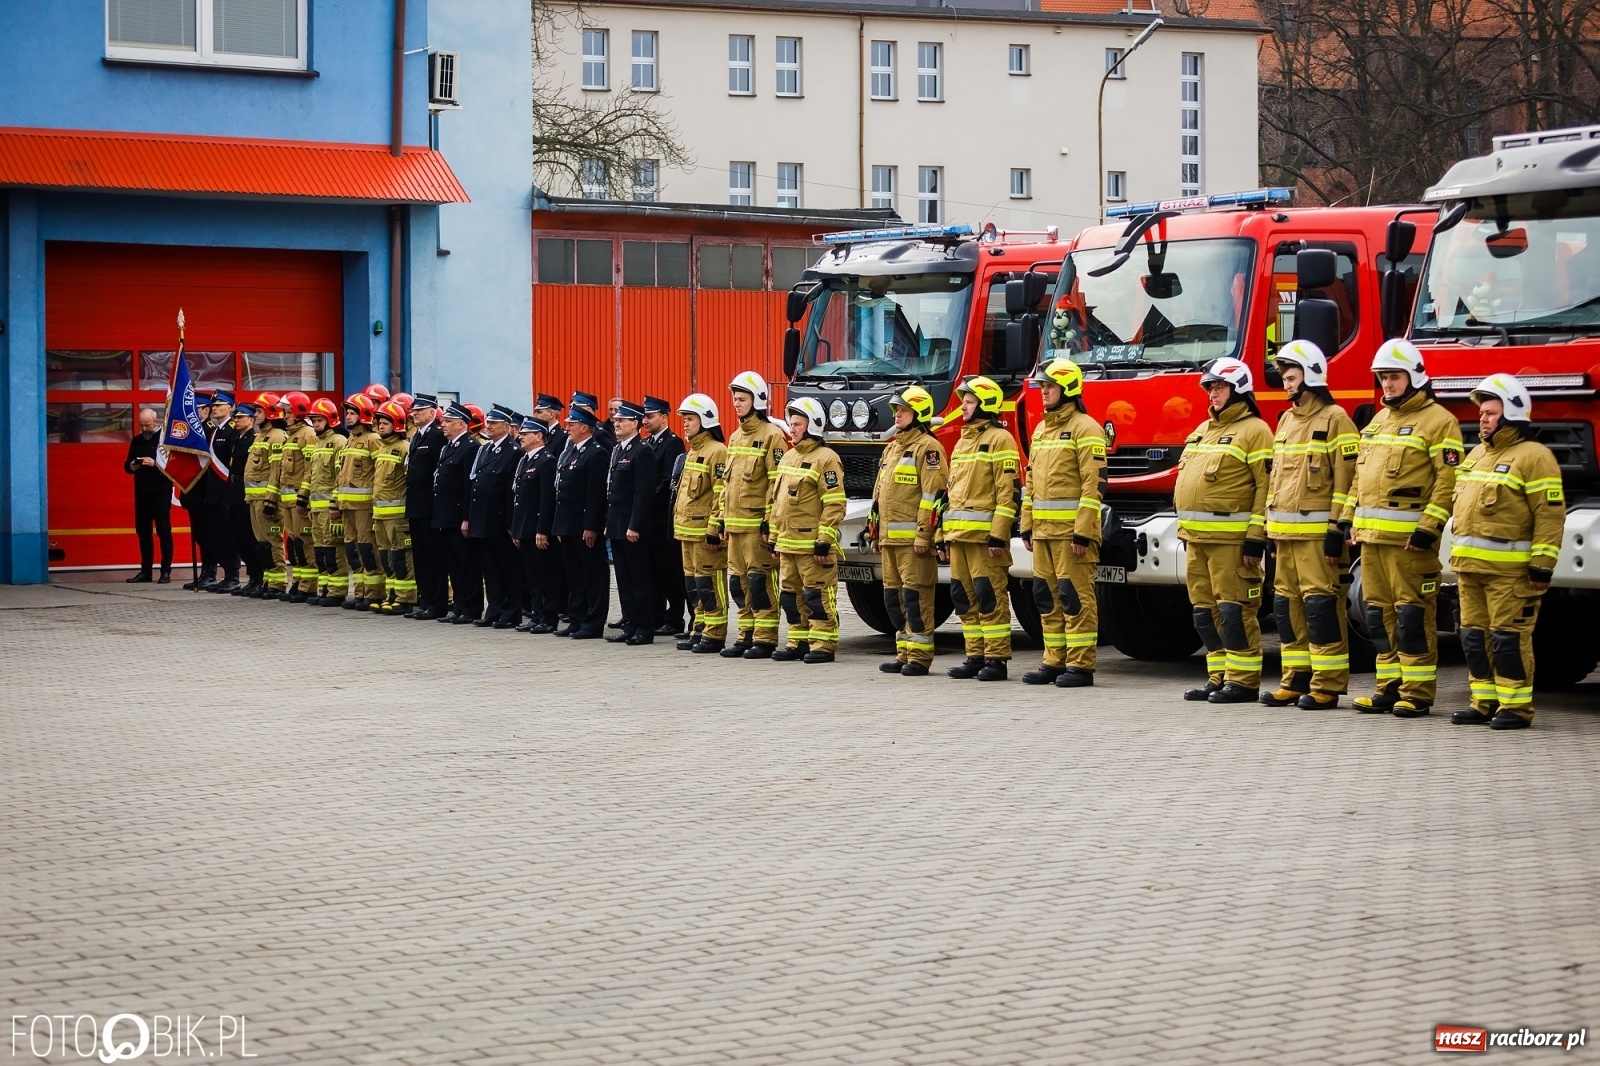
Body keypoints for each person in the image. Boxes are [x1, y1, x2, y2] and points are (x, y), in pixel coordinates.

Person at [1342, 339, 1463, 717]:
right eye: (1382, 378)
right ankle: (1388, 688)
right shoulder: (1378, 421)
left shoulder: (1440, 421)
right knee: (1377, 616)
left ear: (1414, 377)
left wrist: (1429, 528)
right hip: (1373, 542)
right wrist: (1349, 519)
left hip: (1411, 544)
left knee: (1412, 616)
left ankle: (1418, 692)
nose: (1388, 385)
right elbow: (1359, 479)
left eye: (1394, 377)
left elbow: (1448, 482)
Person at [1449, 374, 1565, 729]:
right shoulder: (1477, 455)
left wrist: (1542, 567)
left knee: (1508, 640)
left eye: (1490, 412)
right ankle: (1483, 701)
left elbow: (1549, 514)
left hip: (1509, 574)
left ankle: (1515, 708)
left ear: (1512, 412)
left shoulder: (1534, 457)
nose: (1482, 418)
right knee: (1473, 638)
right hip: (1470, 569)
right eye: (1482, 412)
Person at [1261, 341, 1360, 709]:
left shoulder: (1337, 419)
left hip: (1318, 538)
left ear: (1312, 375)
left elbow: (1347, 481)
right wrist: (1271, 530)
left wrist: (1338, 529)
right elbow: (1277, 481)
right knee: (1287, 609)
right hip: (1285, 537)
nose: (1286, 385)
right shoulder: (1286, 420)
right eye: (1284, 378)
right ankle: (1295, 679)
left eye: (1292, 377)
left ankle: (1328, 685)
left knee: (1320, 607)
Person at [1175, 358, 1274, 703]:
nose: (1213, 394)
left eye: (1220, 387)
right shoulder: (1203, 430)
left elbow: (1265, 488)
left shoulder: (1255, 431)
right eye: (1210, 388)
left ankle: (1243, 681)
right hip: (1197, 541)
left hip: (1232, 543)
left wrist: (1255, 538)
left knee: (1234, 612)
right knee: (1204, 613)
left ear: (1239, 390)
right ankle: (1218, 676)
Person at [1019, 359, 1106, 688]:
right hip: (1043, 534)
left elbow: (1093, 485)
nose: (1044, 393)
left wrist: (1083, 532)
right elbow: (1030, 483)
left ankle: (1080, 665)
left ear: (1068, 389)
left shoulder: (1087, 429)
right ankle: (1053, 661)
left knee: (1075, 597)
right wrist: (1027, 526)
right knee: (1046, 597)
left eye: (1050, 387)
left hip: (1072, 536)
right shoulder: (1041, 430)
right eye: (1042, 387)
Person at [940, 376, 1021, 682]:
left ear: (985, 405)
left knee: (990, 597)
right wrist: (943, 535)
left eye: (970, 401)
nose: (963, 406)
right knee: (963, 597)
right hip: (959, 536)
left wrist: (999, 534)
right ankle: (975, 655)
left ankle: (996, 658)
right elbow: (952, 492)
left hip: (985, 539)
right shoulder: (962, 441)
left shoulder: (1001, 440)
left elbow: (1008, 491)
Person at [869, 385, 949, 677]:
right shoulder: (892, 448)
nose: (897, 415)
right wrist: (875, 533)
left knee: (916, 599)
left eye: (903, 410)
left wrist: (923, 536)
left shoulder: (929, 448)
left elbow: (934, 496)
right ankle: (903, 652)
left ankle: (919, 657)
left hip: (913, 544)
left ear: (919, 413)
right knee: (894, 600)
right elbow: (879, 494)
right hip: (889, 541)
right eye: (896, 410)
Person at [711, 371, 788, 658]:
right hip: (734, 527)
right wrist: (720, 518)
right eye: (734, 398)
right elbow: (725, 485)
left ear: (757, 401)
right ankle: (745, 635)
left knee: (760, 583)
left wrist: (769, 522)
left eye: (742, 399)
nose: (736, 403)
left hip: (757, 528)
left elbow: (775, 482)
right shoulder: (734, 437)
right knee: (738, 584)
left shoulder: (772, 436)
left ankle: (765, 638)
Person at [767, 398, 847, 663]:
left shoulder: (827, 459)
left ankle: (823, 645)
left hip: (812, 547)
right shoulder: (789, 457)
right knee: (790, 598)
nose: (793, 429)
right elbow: (776, 502)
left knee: (817, 596)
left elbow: (834, 503)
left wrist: (824, 540)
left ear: (813, 425)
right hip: (787, 545)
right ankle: (797, 641)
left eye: (798, 424)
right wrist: (774, 537)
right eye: (791, 424)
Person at [673, 394, 730, 652]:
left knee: (709, 584)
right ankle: (700, 628)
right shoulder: (693, 451)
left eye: (690, 419)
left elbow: (720, 492)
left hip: (704, 535)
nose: (685, 424)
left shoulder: (717, 451)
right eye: (684, 420)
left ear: (705, 419)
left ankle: (715, 633)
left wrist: (714, 528)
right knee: (693, 585)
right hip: (686, 533)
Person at [602, 400, 660, 645]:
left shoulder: (642, 450)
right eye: (615, 420)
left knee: (639, 579)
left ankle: (645, 628)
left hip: (632, 527)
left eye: (621, 420)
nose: (616, 423)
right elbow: (612, 490)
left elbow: (643, 492)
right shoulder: (618, 450)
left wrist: (635, 525)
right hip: (616, 524)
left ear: (634, 423)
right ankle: (630, 624)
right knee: (623, 580)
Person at [553, 405, 610, 638]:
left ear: (584, 427)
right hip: (567, 524)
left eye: (572, 424)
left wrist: (590, 526)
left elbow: (595, 494)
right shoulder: (570, 451)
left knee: (592, 575)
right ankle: (577, 618)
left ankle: (593, 622)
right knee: (574, 576)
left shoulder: (596, 453)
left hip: (584, 525)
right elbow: (561, 492)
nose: (568, 428)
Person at [468, 404, 523, 628]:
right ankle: (494, 609)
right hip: (483, 518)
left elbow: (512, 491)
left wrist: (511, 524)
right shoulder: (485, 449)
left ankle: (511, 612)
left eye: (493, 423)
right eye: (488, 423)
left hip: (501, 520)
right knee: (490, 567)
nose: (488, 427)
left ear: (505, 426)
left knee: (507, 567)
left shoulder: (513, 451)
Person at [432, 402, 482, 624]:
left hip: (458, 516)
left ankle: (471, 608)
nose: (444, 425)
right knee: (453, 563)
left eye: (449, 422)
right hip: (444, 515)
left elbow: (467, 485)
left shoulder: (470, 447)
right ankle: (460, 606)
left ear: (461, 424)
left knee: (467, 563)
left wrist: (466, 517)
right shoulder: (447, 446)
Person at [642, 395, 688, 636]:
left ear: (663, 416)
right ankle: (656, 614)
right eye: (645, 417)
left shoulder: (673, 443)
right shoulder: (648, 443)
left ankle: (674, 617)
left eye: (650, 416)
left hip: (663, 518)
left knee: (670, 570)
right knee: (653, 570)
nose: (645, 421)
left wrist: (646, 499)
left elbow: (667, 481)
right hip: (649, 518)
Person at [510, 417, 560, 633]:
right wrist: (516, 528)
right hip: (524, 527)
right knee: (532, 576)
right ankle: (537, 615)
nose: (521, 436)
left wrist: (542, 529)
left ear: (539, 436)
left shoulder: (546, 461)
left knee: (545, 575)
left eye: (526, 433)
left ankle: (548, 618)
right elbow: (518, 498)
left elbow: (546, 499)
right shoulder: (525, 460)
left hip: (537, 528)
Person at [336, 393, 383, 609]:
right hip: (347, 507)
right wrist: (335, 503)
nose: (349, 417)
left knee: (367, 549)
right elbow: (341, 475)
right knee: (352, 550)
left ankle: (374, 594)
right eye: (348, 413)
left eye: (353, 413)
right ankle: (361, 592)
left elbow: (379, 473)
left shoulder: (373, 440)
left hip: (364, 507)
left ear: (363, 415)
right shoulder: (349, 440)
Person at [242, 391, 289, 600]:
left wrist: (271, 499)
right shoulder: (259, 435)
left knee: (272, 541)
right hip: (254, 499)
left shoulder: (277, 436)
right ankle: (268, 580)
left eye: (259, 411)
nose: (256, 415)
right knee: (261, 543)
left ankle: (278, 582)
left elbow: (276, 470)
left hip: (267, 500)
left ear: (270, 412)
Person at [369, 400, 414, 615]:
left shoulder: (404, 448)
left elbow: (410, 483)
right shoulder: (381, 448)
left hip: (398, 516)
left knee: (401, 557)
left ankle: (406, 598)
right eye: (379, 423)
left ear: (396, 423)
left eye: (385, 423)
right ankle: (392, 594)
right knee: (387, 558)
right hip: (380, 516)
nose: (380, 426)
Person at [405, 394, 448, 619]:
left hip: (430, 506)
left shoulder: (437, 435)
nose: (415, 413)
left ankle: (437, 604)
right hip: (415, 505)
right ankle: (426, 600)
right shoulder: (415, 437)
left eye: (419, 410)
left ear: (432, 412)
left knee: (434, 557)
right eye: (414, 410)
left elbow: (436, 473)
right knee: (420, 556)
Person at [304, 397, 348, 606]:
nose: (315, 424)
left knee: (332, 550)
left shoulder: (339, 442)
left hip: (330, 509)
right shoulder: (317, 443)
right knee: (320, 550)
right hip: (317, 508)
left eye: (319, 420)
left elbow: (340, 476)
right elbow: (313, 478)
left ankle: (337, 591)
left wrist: (335, 504)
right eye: (313, 420)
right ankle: (324, 589)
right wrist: (311, 505)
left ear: (330, 420)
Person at [276, 392, 319, 602]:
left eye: (289, 411)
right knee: (294, 544)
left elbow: (311, 469)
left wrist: (304, 496)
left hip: (299, 500)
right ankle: (298, 581)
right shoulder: (292, 434)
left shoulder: (307, 434)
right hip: (288, 501)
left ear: (300, 411)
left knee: (305, 542)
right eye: (285, 411)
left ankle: (309, 586)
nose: (286, 415)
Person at [124, 406, 173, 583]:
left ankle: (166, 570)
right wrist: (132, 466)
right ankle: (146, 571)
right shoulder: (137, 440)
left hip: (160, 492)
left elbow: (174, 468)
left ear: (156, 422)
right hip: (142, 492)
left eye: (147, 425)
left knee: (164, 531)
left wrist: (156, 464)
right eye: (141, 426)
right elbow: (127, 465)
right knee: (143, 532)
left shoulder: (165, 441)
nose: (144, 429)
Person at [203, 391, 242, 591]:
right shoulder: (215, 431)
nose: (215, 408)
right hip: (214, 493)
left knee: (228, 535)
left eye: (219, 405)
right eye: (214, 405)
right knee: (217, 535)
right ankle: (225, 575)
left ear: (230, 407)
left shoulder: (232, 430)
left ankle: (233, 577)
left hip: (227, 491)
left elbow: (232, 464)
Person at [226, 400, 265, 596]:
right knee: (239, 538)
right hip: (234, 491)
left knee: (251, 539)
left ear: (251, 420)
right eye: (235, 417)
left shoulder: (254, 439)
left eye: (240, 417)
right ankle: (252, 578)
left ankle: (259, 577)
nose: (236, 420)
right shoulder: (238, 439)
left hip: (246, 493)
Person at [179, 392, 214, 589]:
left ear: (205, 410)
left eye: (196, 409)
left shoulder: (209, 430)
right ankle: (204, 572)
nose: (192, 413)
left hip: (204, 491)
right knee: (199, 534)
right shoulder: (193, 430)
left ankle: (210, 572)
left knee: (208, 535)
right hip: (194, 491)